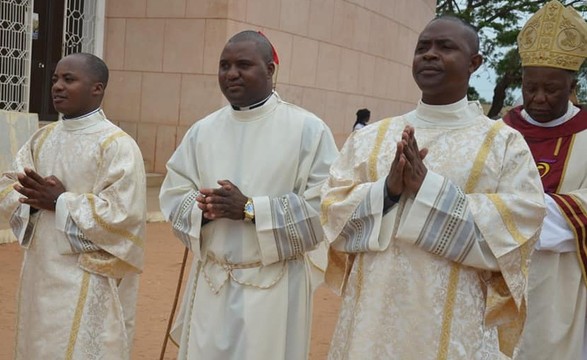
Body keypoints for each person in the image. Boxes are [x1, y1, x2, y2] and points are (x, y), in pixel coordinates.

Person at [320, 16, 546, 359]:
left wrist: (429, 189)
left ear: (474, 64)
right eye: (422, 47)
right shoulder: (371, 138)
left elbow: (521, 225)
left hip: (457, 325)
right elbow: (333, 210)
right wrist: (387, 192)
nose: (429, 54)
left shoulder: (503, 143)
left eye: (445, 47)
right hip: (372, 317)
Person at [159, 30, 339, 359]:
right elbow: (174, 192)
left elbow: (325, 208)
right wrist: (203, 209)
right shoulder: (203, 130)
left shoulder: (307, 130)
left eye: (243, 65)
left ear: (270, 70)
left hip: (273, 286)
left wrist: (251, 209)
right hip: (213, 280)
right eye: (224, 65)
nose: (231, 74)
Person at [0, 53, 146, 359]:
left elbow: (123, 215)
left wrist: (61, 202)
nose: (58, 86)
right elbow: (9, 188)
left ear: (97, 88)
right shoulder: (41, 139)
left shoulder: (117, 145)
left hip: (86, 274)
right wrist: (31, 200)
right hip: (40, 271)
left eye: (69, 79)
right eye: (55, 79)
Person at [502, 1, 587, 359]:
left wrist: (513, 213)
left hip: (563, 281)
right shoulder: (498, 134)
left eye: (551, 89)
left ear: (572, 84)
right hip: (500, 276)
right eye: (529, 86)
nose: (538, 98)